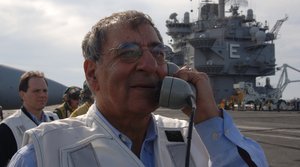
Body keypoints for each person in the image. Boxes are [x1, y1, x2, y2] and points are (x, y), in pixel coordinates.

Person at [8, 10, 268, 167]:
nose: (149, 64)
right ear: (91, 73)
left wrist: (210, 121)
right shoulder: (43, 153)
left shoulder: (199, 140)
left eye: (158, 53)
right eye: (128, 53)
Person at [0, 71, 58, 166]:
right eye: (36, 91)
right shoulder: (8, 127)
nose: (42, 95)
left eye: (45, 90)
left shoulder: (55, 119)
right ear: (22, 94)